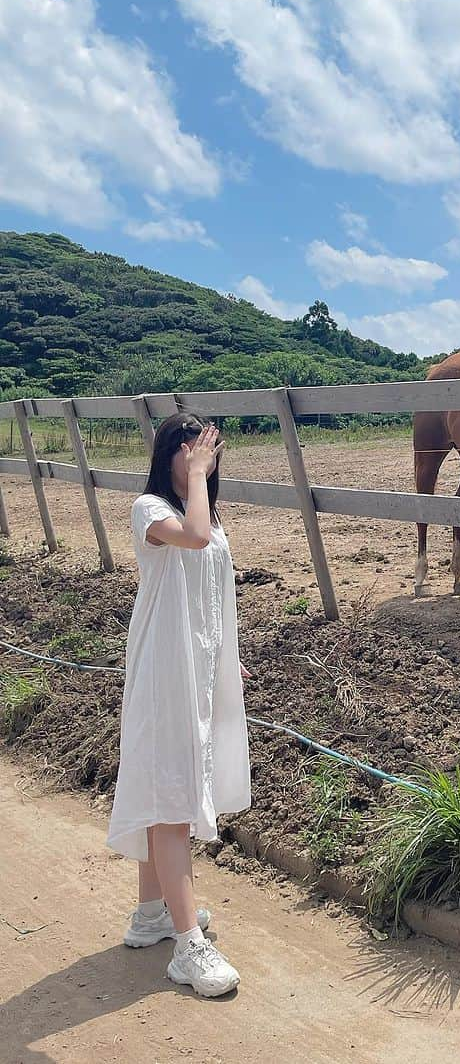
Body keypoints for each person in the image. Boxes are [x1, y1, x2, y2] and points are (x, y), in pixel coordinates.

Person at [106, 414, 251, 997]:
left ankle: (151, 914)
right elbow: (191, 540)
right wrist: (195, 476)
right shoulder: (152, 510)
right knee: (171, 793)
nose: (203, 461)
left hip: (196, 664)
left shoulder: (205, 514)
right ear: (169, 454)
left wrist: (224, 657)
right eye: (190, 452)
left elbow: (212, 590)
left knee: (169, 782)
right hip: (166, 667)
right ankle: (188, 946)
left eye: (208, 454)